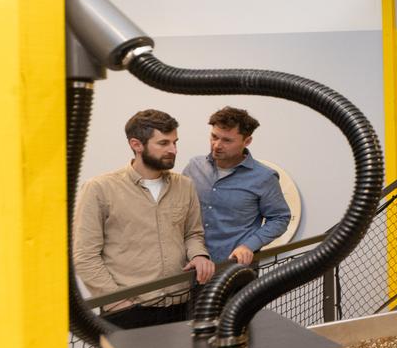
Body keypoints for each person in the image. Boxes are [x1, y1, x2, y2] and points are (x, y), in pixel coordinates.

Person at [73, 108, 214, 329]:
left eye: (175, 142)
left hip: (181, 304)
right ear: (136, 144)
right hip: (127, 311)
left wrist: (199, 255)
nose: (173, 150)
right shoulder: (99, 189)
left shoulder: (184, 185)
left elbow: (192, 234)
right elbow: (84, 255)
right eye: (163, 143)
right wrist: (117, 302)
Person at [184, 106, 292, 269]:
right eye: (214, 137)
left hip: (234, 268)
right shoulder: (194, 166)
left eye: (227, 140)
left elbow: (280, 218)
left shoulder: (264, 177)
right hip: (191, 264)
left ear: (247, 141)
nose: (217, 145)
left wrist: (249, 245)